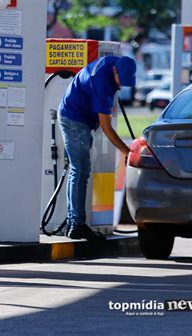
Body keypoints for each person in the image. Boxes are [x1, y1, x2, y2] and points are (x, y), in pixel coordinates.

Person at [58, 56, 136, 241]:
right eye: (120, 81)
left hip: (80, 118)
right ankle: (76, 224)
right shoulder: (102, 84)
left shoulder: (112, 62)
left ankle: (75, 222)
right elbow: (107, 127)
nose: (121, 87)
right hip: (73, 120)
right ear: (115, 72)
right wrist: (128, 152)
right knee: (80, 169)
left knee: (82, 170)